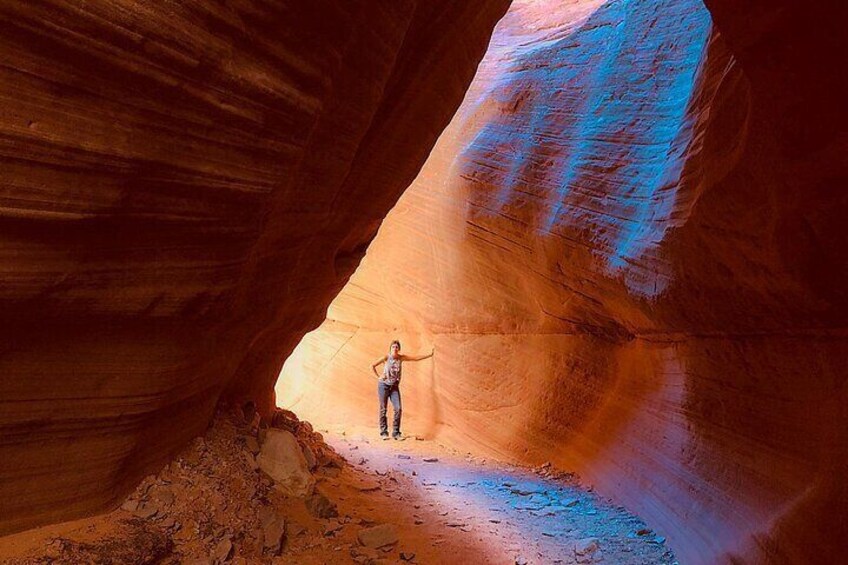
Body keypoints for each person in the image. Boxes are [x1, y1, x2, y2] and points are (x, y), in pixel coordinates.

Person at [371, 340, 434, 440]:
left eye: (396, 347)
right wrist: (379, 377)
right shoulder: (386, 357)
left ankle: (396, 433)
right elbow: (372, 365)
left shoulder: (401, 358)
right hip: (383, 386)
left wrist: (429, 355)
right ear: (390, 348)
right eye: (393, 347)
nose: (395, 349)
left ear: (399, 349)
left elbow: (415, 358)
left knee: (398, 408)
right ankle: (384, 432)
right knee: (383, 409)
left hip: (394, 387)